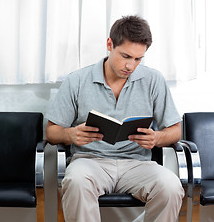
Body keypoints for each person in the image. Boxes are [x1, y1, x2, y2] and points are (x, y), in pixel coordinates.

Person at [45, 15, 184, 222]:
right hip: (90, 161)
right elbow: (51, 131)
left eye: (138, 59)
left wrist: (157, 138)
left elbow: (175, 129)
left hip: (137, 164)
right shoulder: (77, 80)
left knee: (171, 187)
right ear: (110, 44)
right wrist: (71, 134)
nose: (131, 66)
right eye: (125, 56)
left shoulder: (153, 80)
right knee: (75, 181)